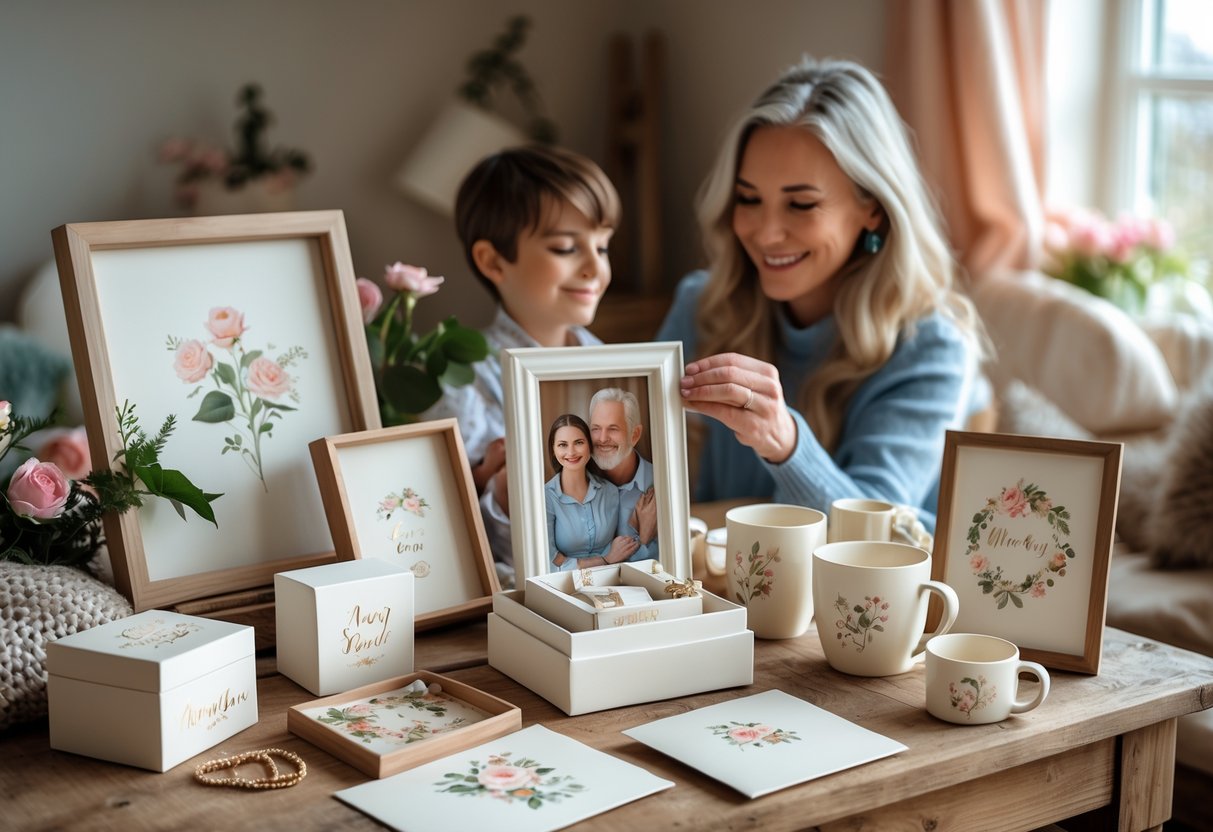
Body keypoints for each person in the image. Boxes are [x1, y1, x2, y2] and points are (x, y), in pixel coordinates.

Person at [656, 57, 984, 532]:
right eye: (749, 198)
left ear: (872, 209)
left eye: (801, 204)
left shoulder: (932, 347)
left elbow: (879, 535)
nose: (766, 234)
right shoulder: (701, 305)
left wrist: (784, 443)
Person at [422, 145, 621, 578]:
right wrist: (504, 486)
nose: (594, 267)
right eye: (568, 248)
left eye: (602, 247)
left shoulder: (613, 368)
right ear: (493, 261)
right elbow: (456, 532)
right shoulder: (463, 382)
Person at [544, 414, 639, 571]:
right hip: (564, 585)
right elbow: (552, 560)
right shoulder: (546, 497)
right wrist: (605, 559)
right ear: (553, 450)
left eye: (579, 443)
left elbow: (625, 547)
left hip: (612, 579)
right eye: (562, 445)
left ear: (590, 446)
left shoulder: (611, 491)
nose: (571, 452)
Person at [588, 387, 657, 561]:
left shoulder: (660, 484)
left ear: (635, 435)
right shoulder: (578, 484)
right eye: (596, 428)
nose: (602, 439)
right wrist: (644, 539)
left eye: (613, 428)